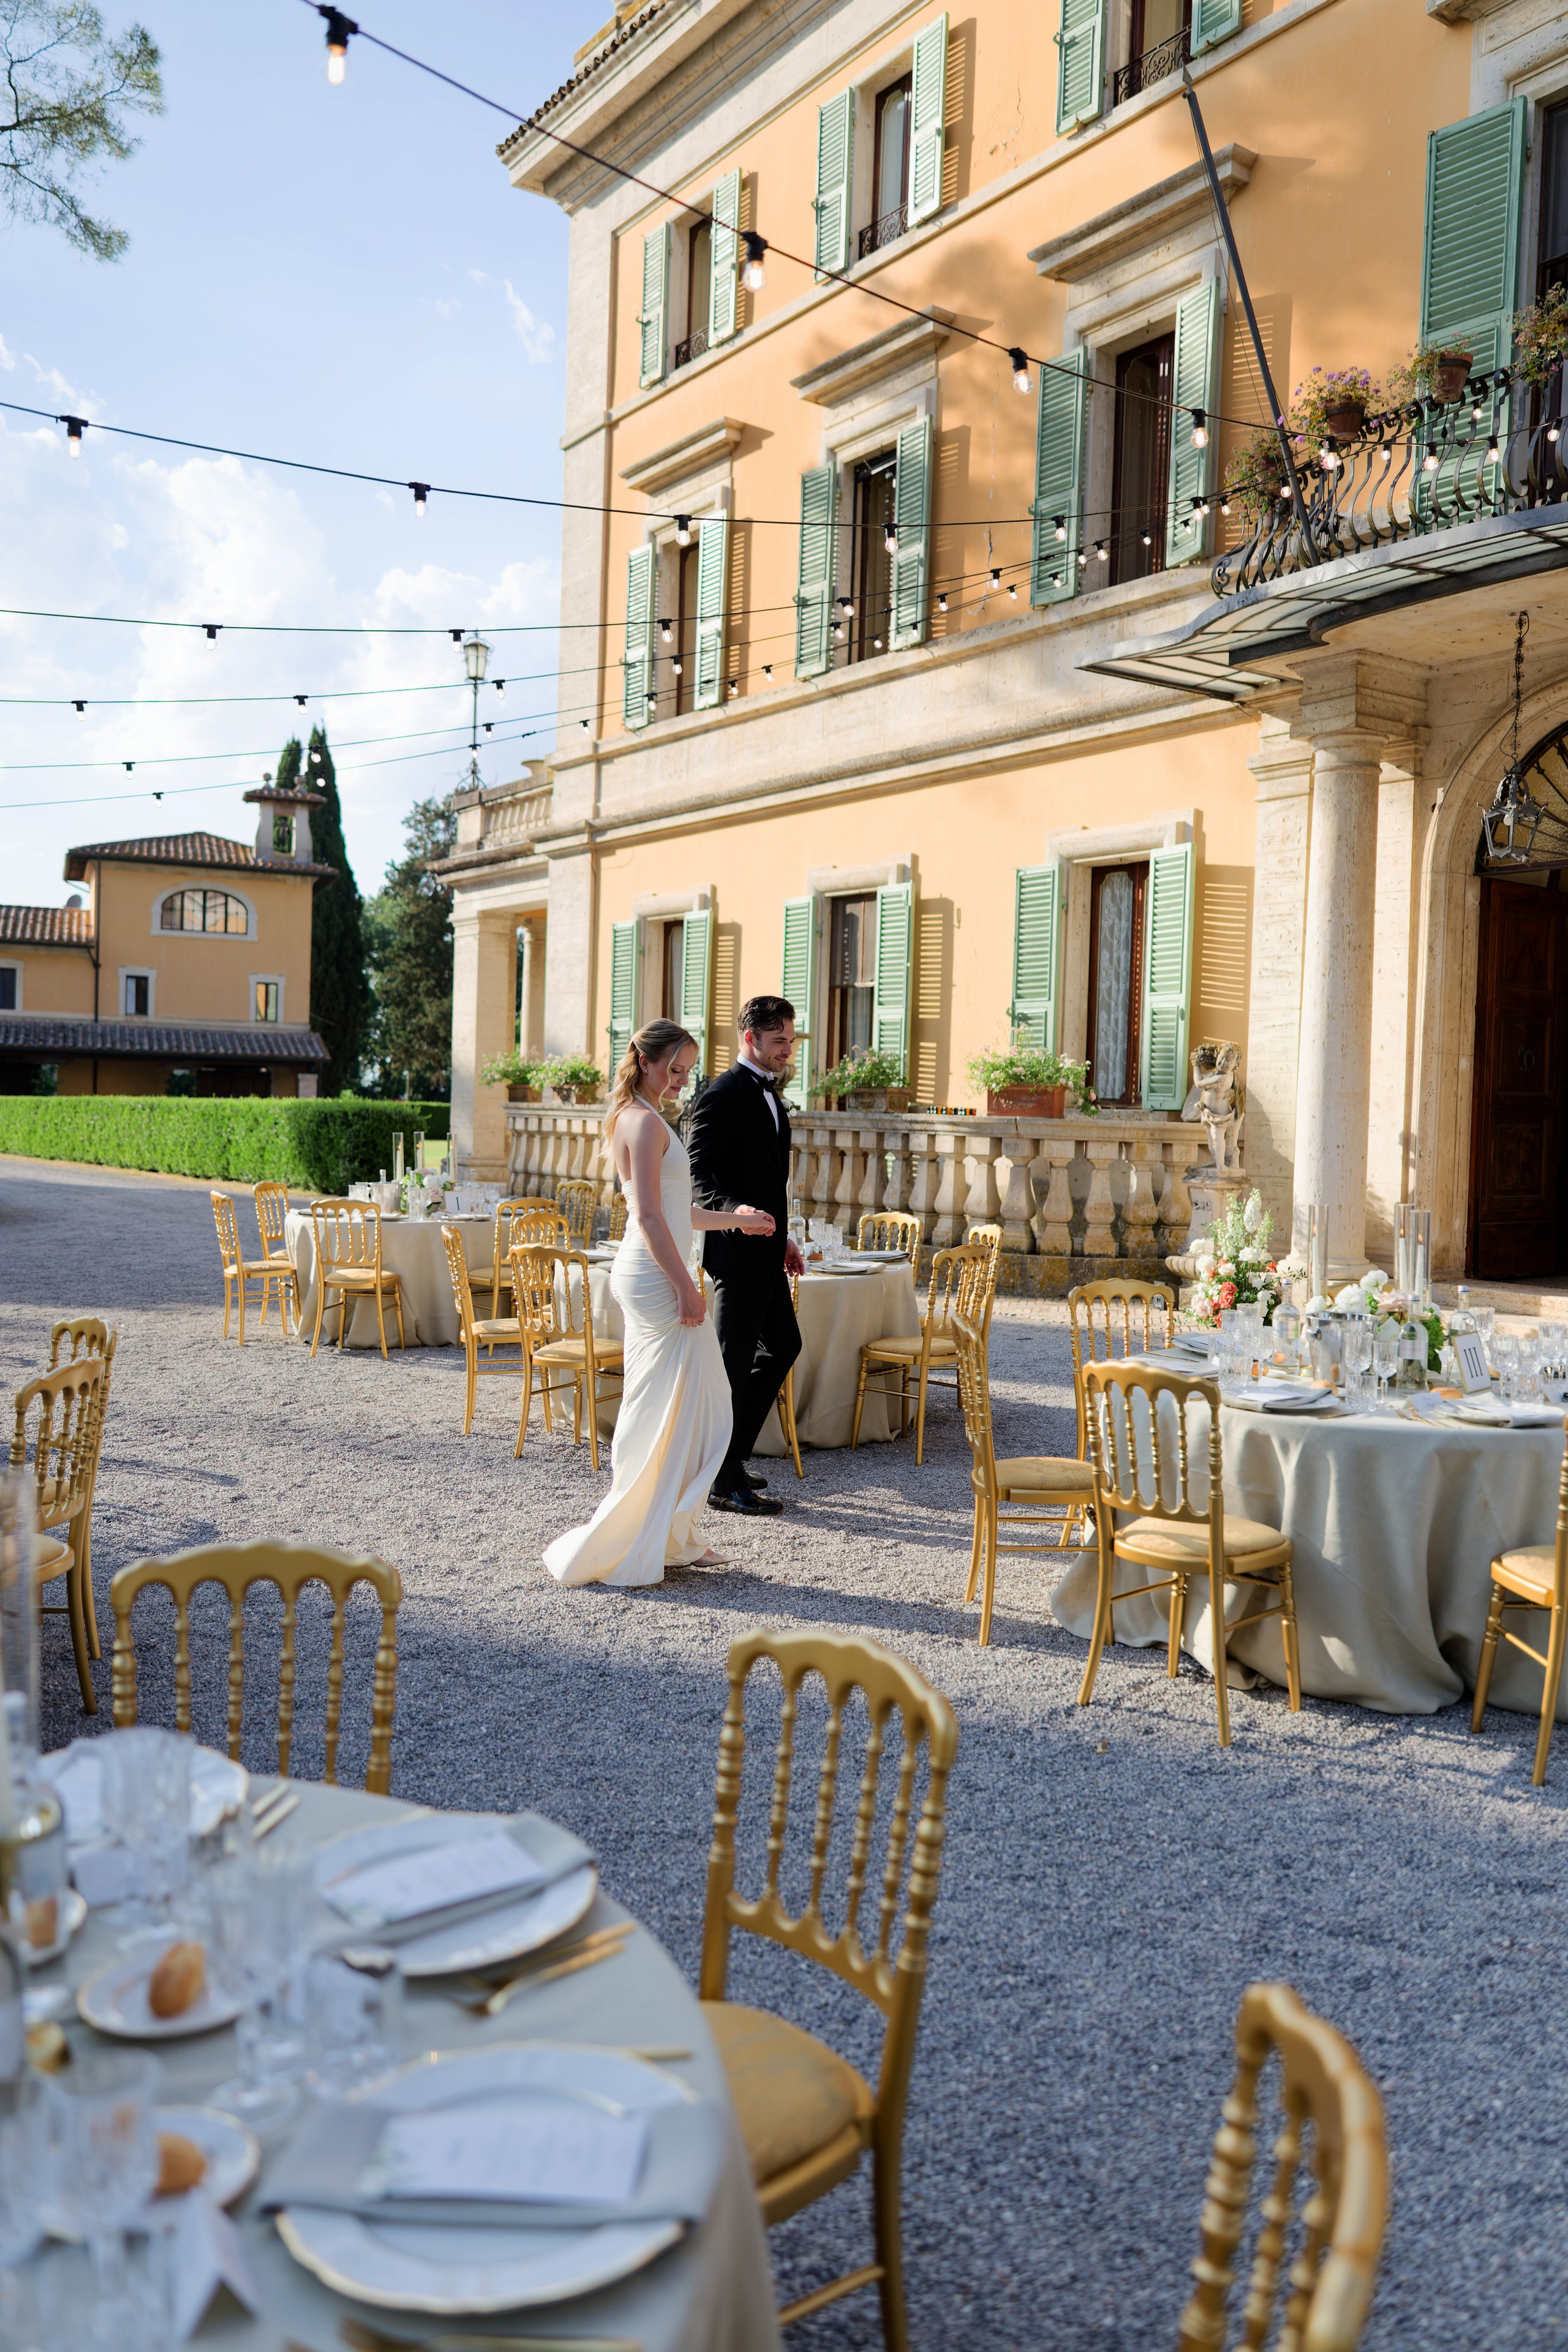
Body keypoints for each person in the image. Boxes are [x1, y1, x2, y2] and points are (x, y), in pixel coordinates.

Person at [543, 1018, 775, 1588]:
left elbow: (676, 1212)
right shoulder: (644, 1123)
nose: (681, 1080)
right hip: (655, 1277)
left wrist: (737, 1220)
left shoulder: (643, 1117)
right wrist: (685, 1286)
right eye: (674, 1069)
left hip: (654, 1271)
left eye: (687, 1071)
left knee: (683, 1405)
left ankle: (672, 1534)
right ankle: (641, 1536)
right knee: (675, 1406)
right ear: (645, 1061)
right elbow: (648, 1218)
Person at [686, 994, 806, 1518]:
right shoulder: (722, 1094)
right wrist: (736, 1211)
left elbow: (768, 1180)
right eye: (779, 1041)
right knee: (731, 1369)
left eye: (791, 1040)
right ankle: (721, 1478)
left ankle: (729, 1461)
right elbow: (697, 1173)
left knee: (783, 1346)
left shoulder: (770, 1093)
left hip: (765, 1250)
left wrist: (783, 1239)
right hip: (735, 1254)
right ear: (750, 1038)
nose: (788, 1050)